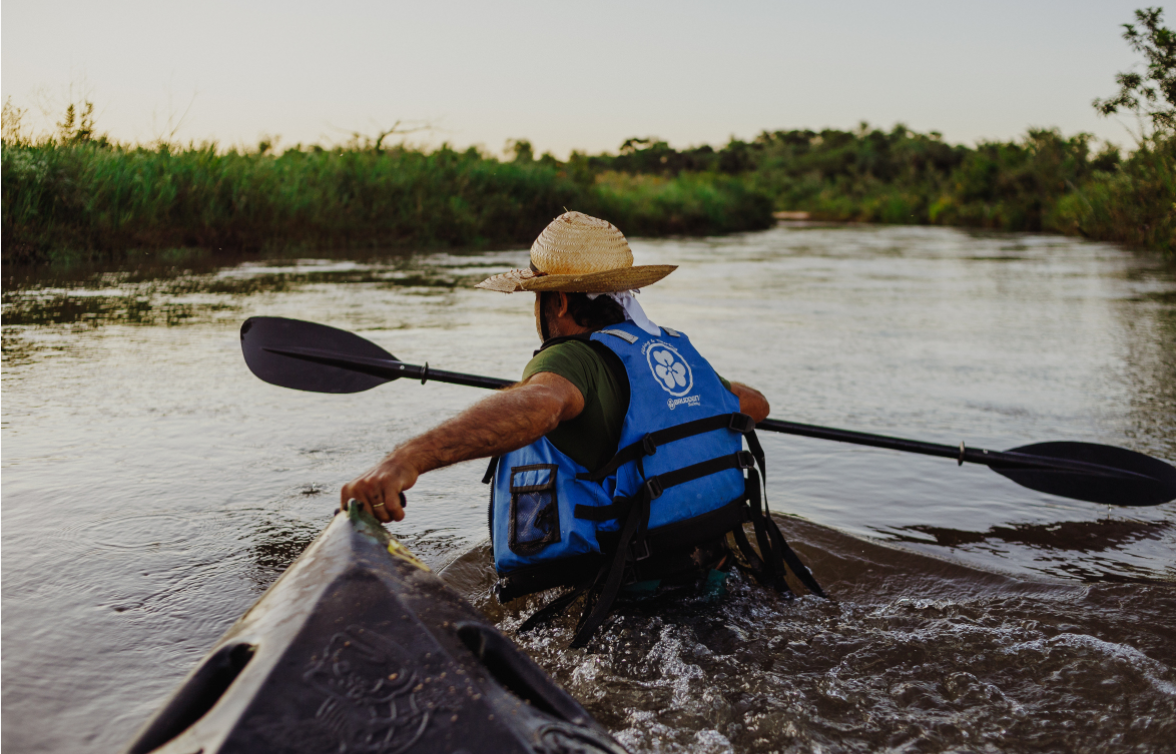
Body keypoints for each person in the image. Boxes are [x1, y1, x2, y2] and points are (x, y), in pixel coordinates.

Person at [342, 211, 823, 646]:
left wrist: (406, 459)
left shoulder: (571, 358)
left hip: (636, 612)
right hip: (719, 583)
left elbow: (540, 406)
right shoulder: (672, 350)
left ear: (562, 302)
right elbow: (752, 404)